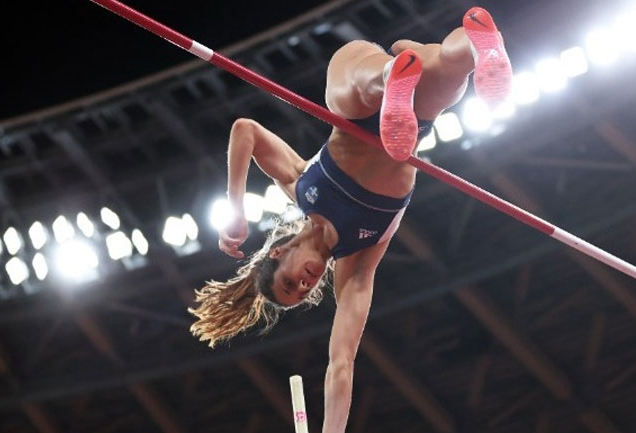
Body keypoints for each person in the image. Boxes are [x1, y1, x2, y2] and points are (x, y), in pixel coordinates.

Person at [188, 6, 511, 433]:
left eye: (289, 282)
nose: (304, 283)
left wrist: (235, 212)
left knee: (344, 96)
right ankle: (481, 48)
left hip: (362, 97)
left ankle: (394, 74)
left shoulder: (300, 186)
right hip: (413, 123)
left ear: (280, 251)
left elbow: (245, 130)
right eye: (303, 292)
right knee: (451, 72)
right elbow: (341, 363)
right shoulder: (356, 267)